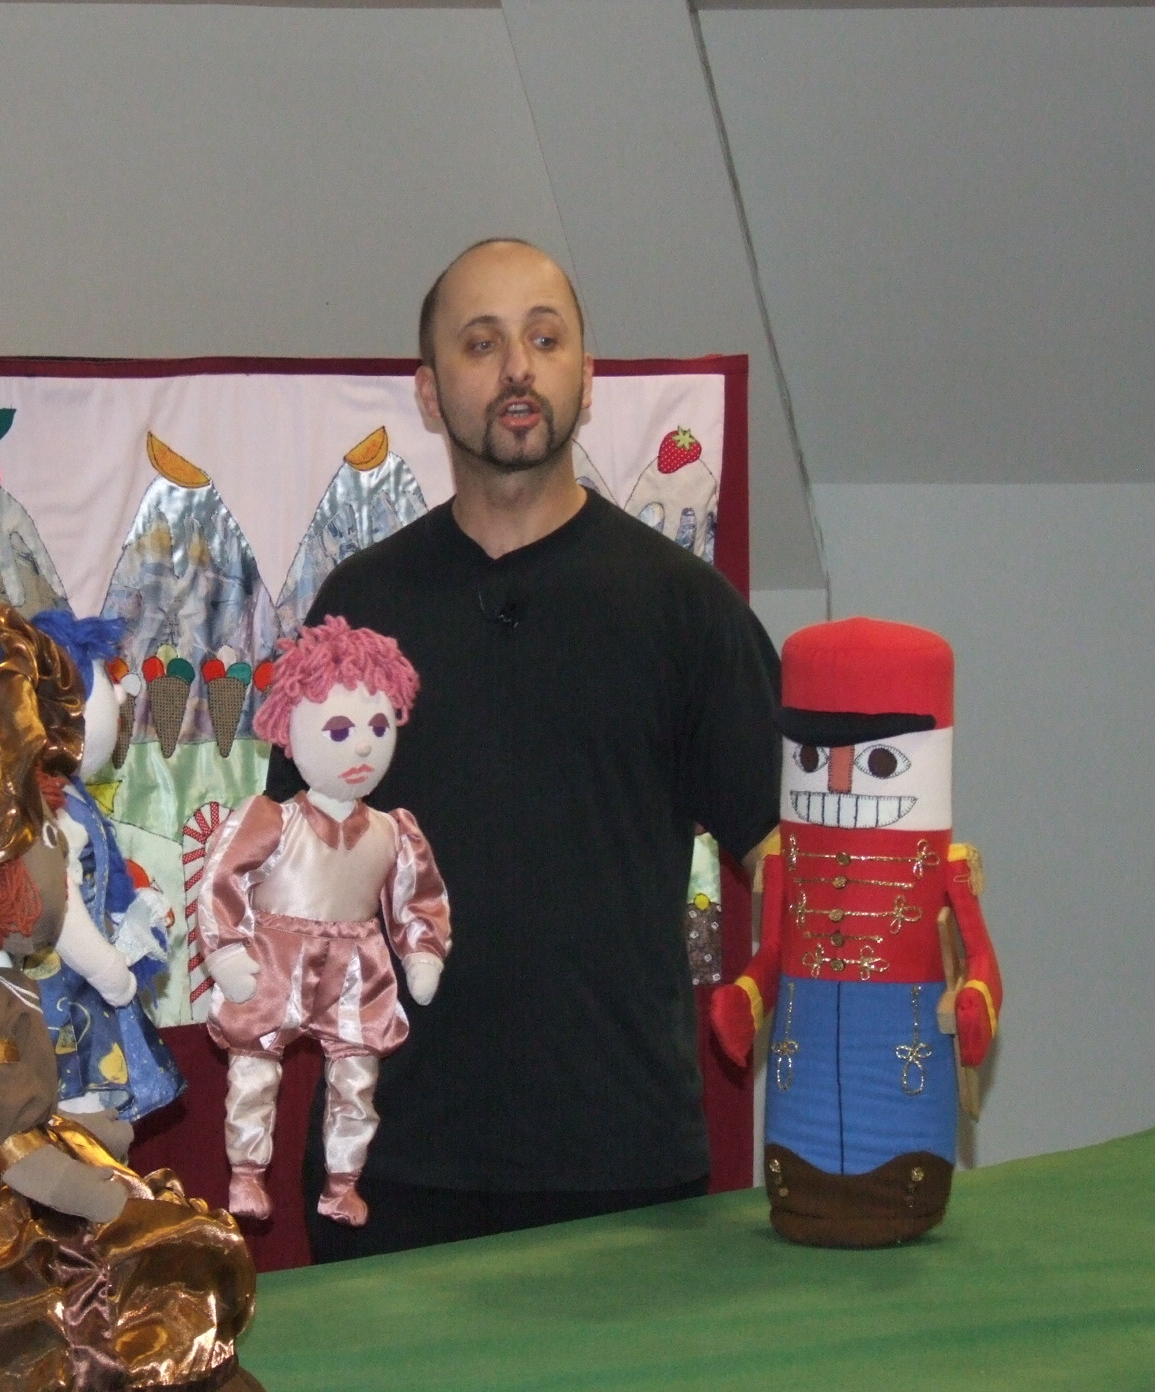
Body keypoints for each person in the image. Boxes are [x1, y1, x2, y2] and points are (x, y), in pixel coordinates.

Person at [264, 238, 782, 1262]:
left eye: (545, 340)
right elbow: (292, 866)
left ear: (586, 378)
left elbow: (786, 858)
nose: (516, 369)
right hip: (391, 1166)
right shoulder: (358, 610)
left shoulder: (685, 611)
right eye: (481, 343)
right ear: (427, 392)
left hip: (622, 1170)